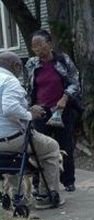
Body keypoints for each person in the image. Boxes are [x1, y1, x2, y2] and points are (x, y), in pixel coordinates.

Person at [0, 52, 64, 209]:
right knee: (51, 147)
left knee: (13, 160)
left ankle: (17, 195)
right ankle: (46, 195)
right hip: (13, 139)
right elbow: (8, 109)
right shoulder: (10, 81)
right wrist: (29, 114)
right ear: (15, 66)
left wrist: (26, 108)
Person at [25, 29, 81, 193]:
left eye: (40, 45)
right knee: (39, 148)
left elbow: (75, 82)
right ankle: (40, 183)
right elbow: (29, 88)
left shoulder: (63, 61)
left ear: (49, 44)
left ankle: (68, 181)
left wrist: (64, 98)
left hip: (62, 110)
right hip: (40, 112)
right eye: (34, 47)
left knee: (65, 146)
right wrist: (30, 107)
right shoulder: (31, 64)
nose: (37, 50)